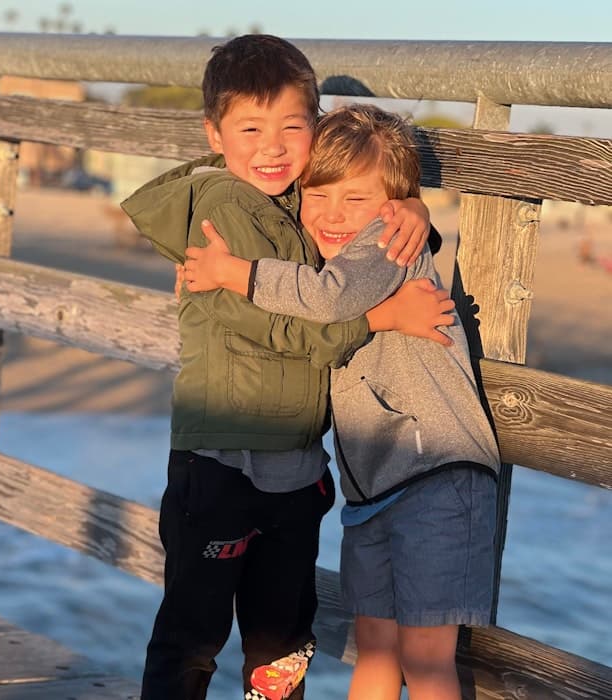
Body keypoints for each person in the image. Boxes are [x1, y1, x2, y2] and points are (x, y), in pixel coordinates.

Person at [121, 35, 453, 700]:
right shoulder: (221, 211)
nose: (271, 147)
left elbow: (360, 201)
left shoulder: (296, 200)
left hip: (295, 468)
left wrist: (410, 207)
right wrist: (378, 322)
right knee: (194, 634)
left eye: (291, 127)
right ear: (215, 133)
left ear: (316, 129)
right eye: (249, 128)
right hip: (221, 462)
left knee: (282, 641)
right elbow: (285, 331)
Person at [182, 103, 501, 700]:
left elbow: (329, 299)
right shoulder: (333, 246)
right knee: (375, 655)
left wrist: (233, 272)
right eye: (317, 194)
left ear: (389, 207)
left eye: (355, 200)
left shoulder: (387, 242)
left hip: (438, 478)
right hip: (373, 493)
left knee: (427, 662)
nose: (331, 215)